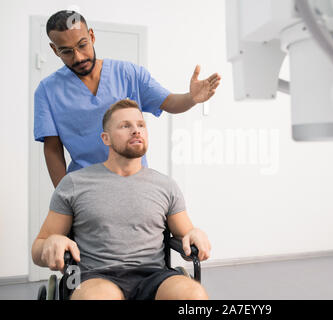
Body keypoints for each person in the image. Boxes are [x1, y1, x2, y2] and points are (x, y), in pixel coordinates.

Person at [31, 99, 211, 300]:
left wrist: (195, 234)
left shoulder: (165, 186)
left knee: (193, 295)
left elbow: (187, 239)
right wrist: (51, 242)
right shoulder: (74, 184)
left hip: (154, 276)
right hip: (96, 277)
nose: (136, 130)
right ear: (105, 138)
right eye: (126, 126)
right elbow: (38, 249)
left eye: (140, 125)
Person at [34, 10, 221, 187]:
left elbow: (170, 102)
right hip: (84, 188)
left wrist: (192, 98)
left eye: (82, 45)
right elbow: (52, 149)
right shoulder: (48, 90)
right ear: (54, 50)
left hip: (135, 183)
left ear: (91, 36)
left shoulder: (128, 74)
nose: (79, 57)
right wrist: (64, 197)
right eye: (66, 51)